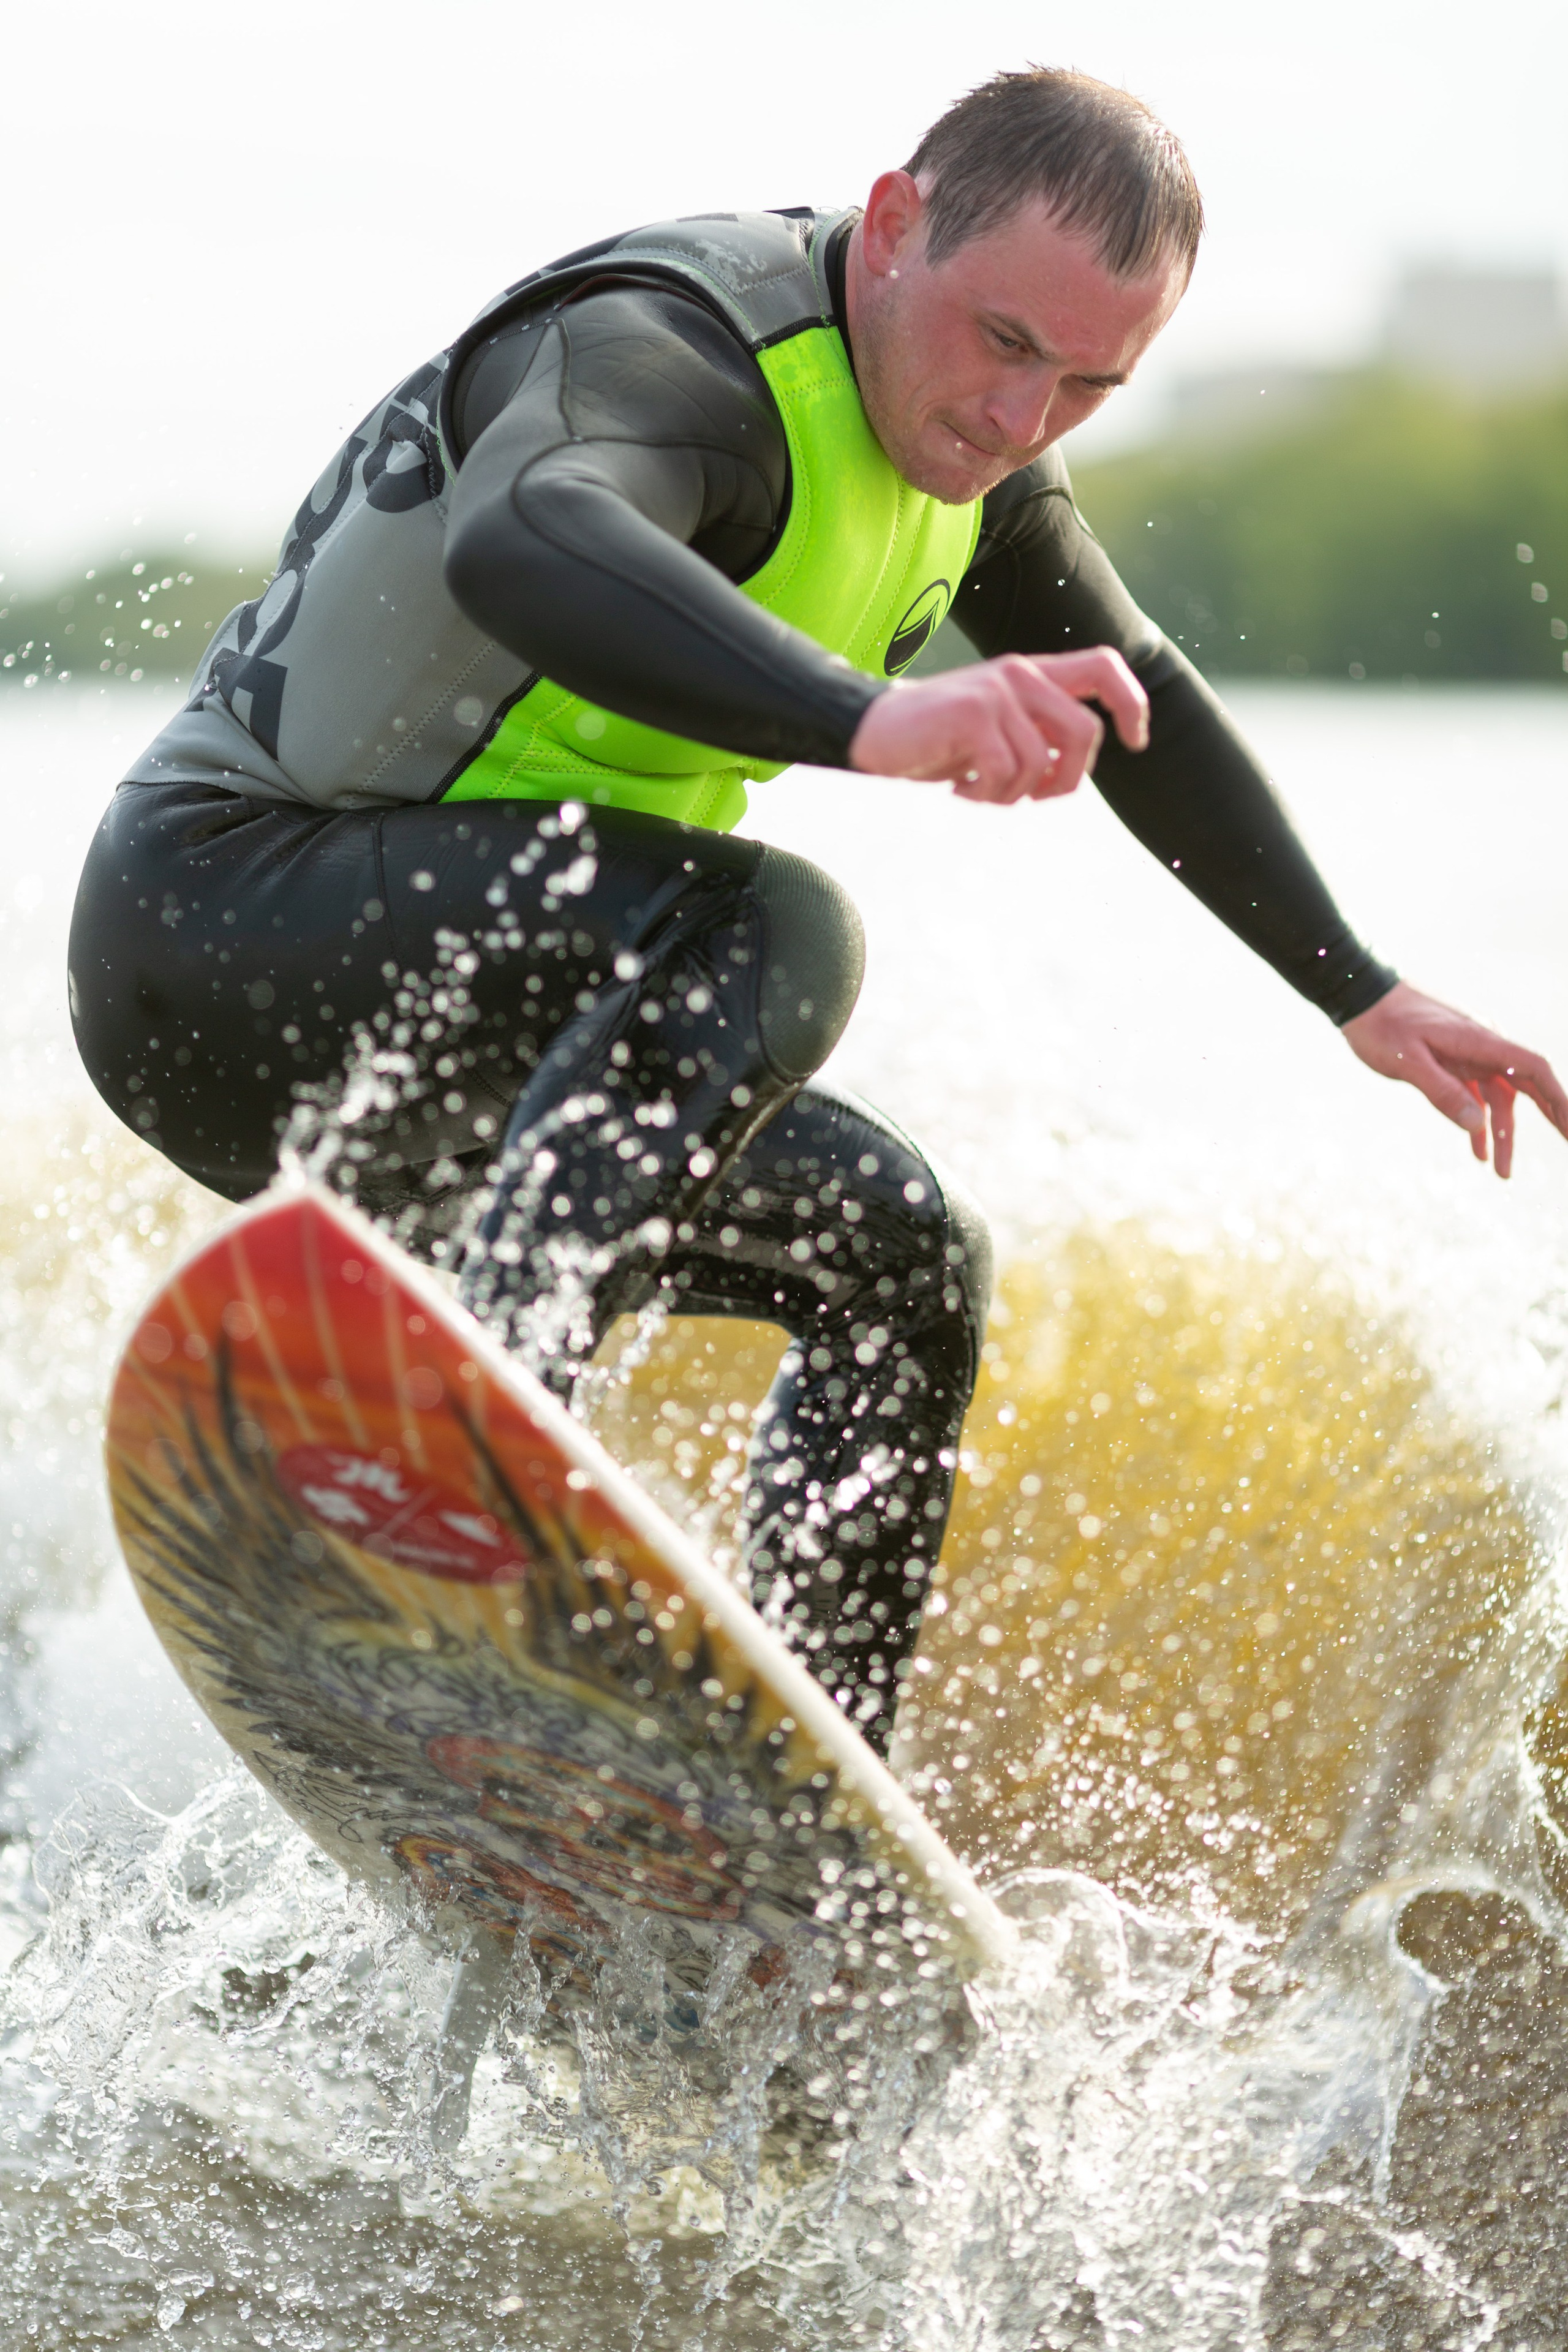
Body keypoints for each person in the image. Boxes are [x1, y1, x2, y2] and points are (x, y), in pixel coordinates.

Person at [69, 69, 1567, 1754]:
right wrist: (872, 721)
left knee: (904, 1257)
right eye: (1007, 342)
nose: (1023, 419)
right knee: (783, 933)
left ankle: (788, 1796)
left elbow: (1145, 693)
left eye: (1089, 383)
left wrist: (1360, 993)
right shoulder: (674, 350)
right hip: (216, 936)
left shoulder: (974, 464)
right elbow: (528, 538)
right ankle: (476, 1433)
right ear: (899, 220)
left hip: (472, 1044)